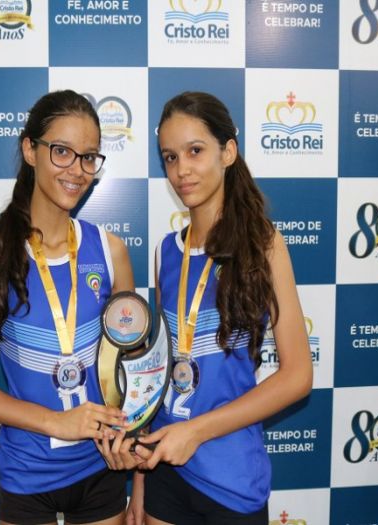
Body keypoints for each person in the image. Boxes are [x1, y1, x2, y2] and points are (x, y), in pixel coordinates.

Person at [0, 90, 134, 525]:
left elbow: (132, 366)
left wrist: (130, 441)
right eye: (61, 151)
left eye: (89, 157)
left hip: (101, 466)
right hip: (28, 472)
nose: (77, 170)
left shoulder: (111, 251)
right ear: (30, 150)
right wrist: (54, 422)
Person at [121, 92, 314, 525]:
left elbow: (298, 375)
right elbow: (157, 371)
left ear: (228, 152)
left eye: (195, 151)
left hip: (231, 476)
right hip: (165, 467)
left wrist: (195, 432)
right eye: (170, 157)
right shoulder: (165, 252)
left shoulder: (263, 245)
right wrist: (140, 481)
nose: (181, 170)